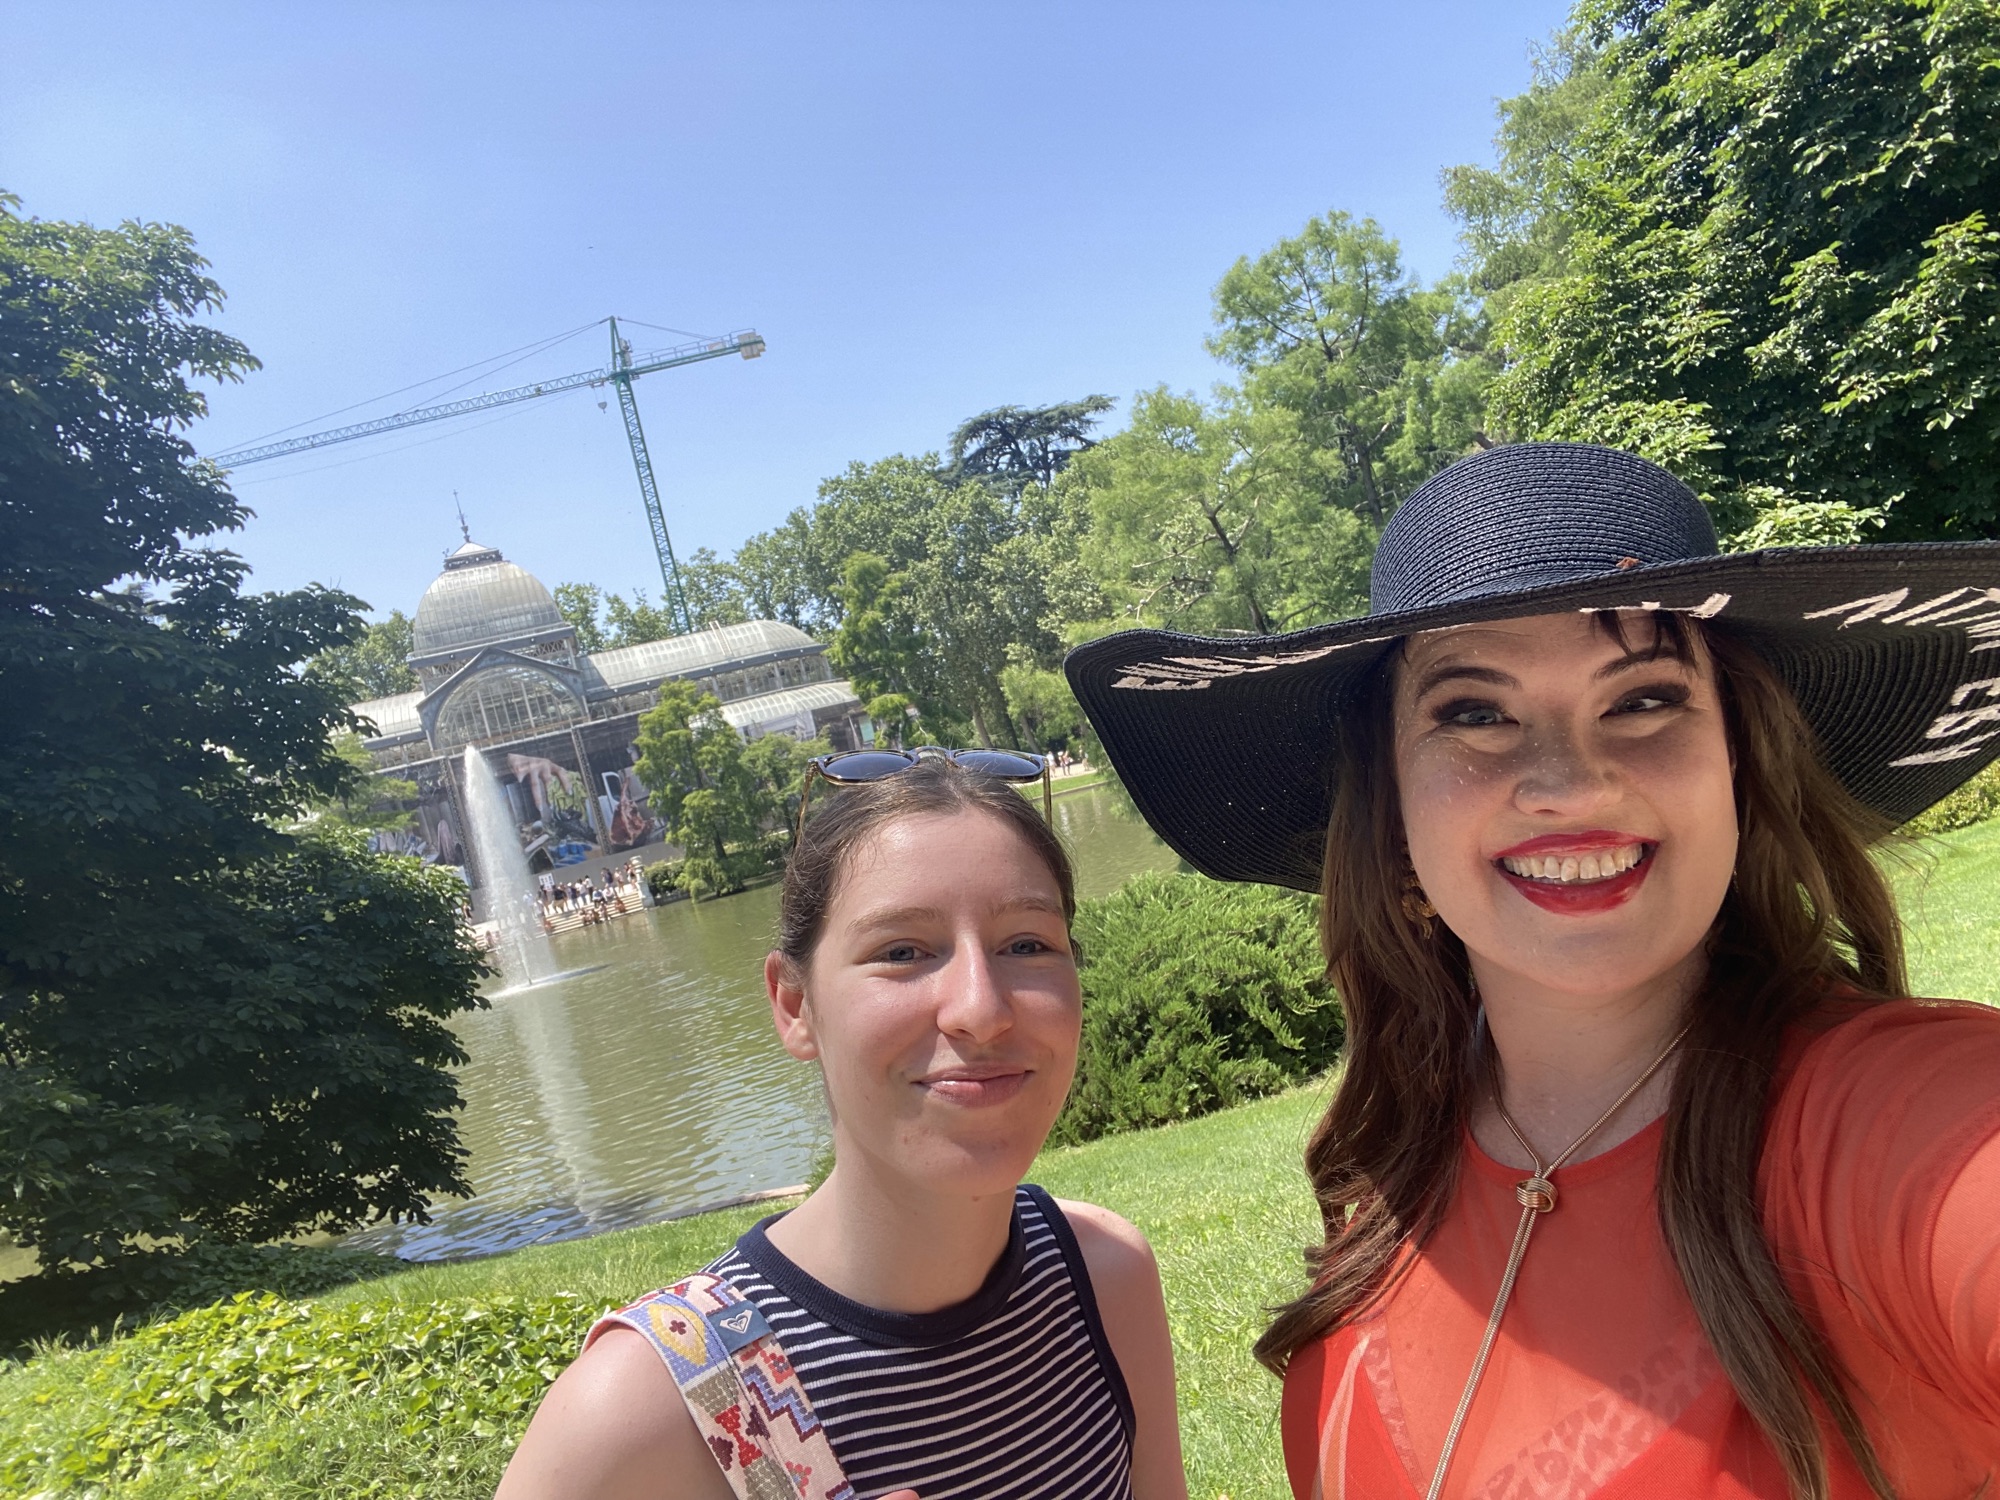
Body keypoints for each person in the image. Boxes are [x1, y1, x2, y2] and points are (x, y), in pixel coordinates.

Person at [1066, 443, 2000, 1499]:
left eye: (1643, 699)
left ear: (1737, 758)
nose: (1568, 783)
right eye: (1474, 712)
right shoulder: (1391, 1163)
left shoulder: (1890, 1129)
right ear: (1391, 804)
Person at [496, 754, 1187, 1500]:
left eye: (1026, 944)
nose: (982, 1009)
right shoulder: (646, 1413)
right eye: (901, 952)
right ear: (795, 1005)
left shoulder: (1102, 1278)